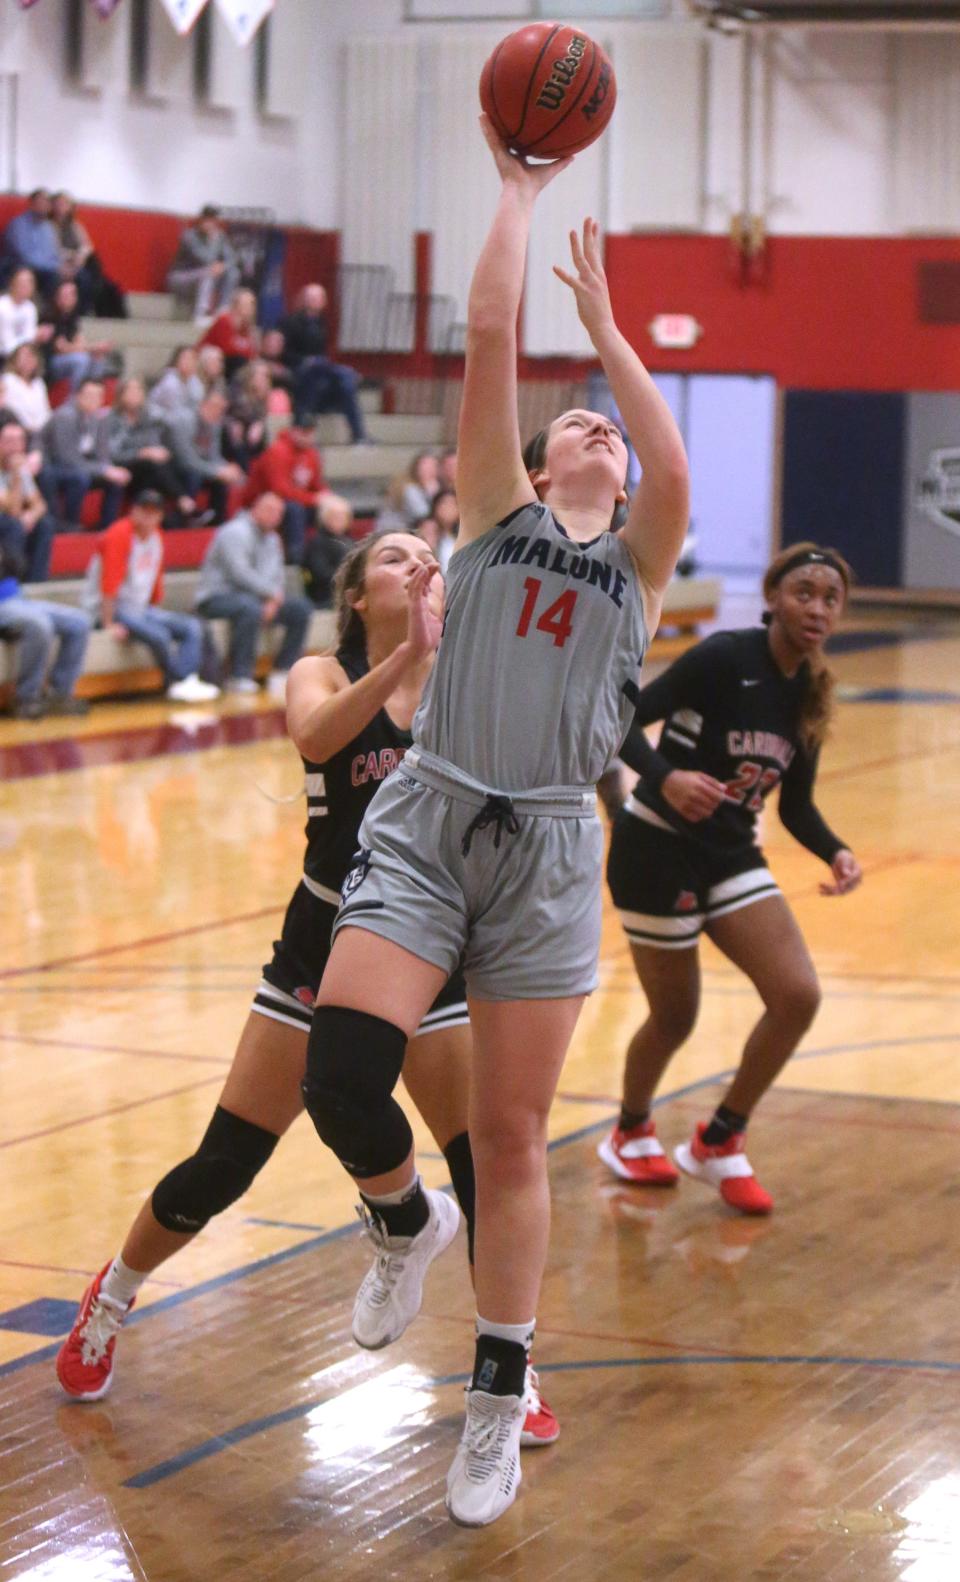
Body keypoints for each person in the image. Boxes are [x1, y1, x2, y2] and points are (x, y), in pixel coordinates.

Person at [296, 117, 689, 1527]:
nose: (590, 421)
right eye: (568, 413)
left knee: (515, 1136)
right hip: (433, 809)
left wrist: (613, 332)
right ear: (526, 464)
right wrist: (520, 194)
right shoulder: (490, 516)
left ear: (626, 478)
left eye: (610, 429)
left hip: (544, 848)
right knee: (344, 1073)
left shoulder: (642, 557)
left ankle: (495, 1384)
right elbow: (480, 335)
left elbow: (659, 441)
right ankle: (402, 1219)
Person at [53, 526, 559, 1447]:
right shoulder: (320, 672)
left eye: (425, 555)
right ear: (359, 596)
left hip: (434, 942)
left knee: (484, 1171)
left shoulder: (467, 682)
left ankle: (509, 1369)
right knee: (224, 1163)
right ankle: (112, 1297)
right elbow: (317, 737)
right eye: (395, 558)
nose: (419, 565)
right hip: (323, 938)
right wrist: (408, 656)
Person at [600, 543, 862, 1214]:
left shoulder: (809, 690)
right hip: (655, 846)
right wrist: (664, 778)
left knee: (797, 995)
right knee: (676, 1015)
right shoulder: (724, 659)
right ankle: (629, 1130)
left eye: (830, 599)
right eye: (804, 591)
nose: (817, 607)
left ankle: (720, 1140)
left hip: (729, 853)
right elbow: (622, 716)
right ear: (773, 598)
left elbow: (795, 803)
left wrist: (834, 850)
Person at [83, 490, 220, 704]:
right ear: (133, 512)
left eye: (154, 513)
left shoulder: (156, 537)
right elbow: (108, 585)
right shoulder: (118, 535)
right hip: (110, 608)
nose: (148, 518)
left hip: (139, 608)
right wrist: (108, 623)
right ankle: (179, 681)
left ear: (160, 516)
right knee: (160, 635)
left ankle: (184, 679)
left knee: (192, 627)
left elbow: (154, 578)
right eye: (143, 511)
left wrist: (153, 608)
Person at [195, 490, 313, 697]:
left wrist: (273, 600)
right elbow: (239, 573)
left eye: (278, 513)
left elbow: (277, 575)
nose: (274, 516)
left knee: (300, 609)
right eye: (269, 510)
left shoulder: (274, 539)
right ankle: (239, 676)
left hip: (257, 599)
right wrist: (270, 595)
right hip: (215, 598)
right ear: (255, 509)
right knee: (248, 608)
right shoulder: (234, 532)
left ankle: (282, 669)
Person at [0, 527, 90, 719]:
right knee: (40, 624)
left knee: (79, 622)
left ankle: (60, 694)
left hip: (17, 600)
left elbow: (19, 567)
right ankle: (26, 698)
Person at [279, 284, 369, 445]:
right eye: (310, 297)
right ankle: (304, 423)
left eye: (317, 298)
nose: (313, 301)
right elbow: (284, 353)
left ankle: (358, 433)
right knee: (324, 373)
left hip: (322, 368)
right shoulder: (291, 322)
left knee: (345, 380)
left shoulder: (323, 323)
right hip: (300, 369)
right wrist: (305, 361)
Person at [244, 413, 334, 566]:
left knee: (329, 509)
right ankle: (295, 556)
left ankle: (331, 554)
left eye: (311, 433)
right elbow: (280, 491)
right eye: (304, 432)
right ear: (294, 431)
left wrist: (328, 497)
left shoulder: (311, 453)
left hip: (298, 500)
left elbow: (316, 484)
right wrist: (314, 499)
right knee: (295, 509)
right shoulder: (277, 451)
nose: (308, 437)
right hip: (264, 502)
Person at [40, 377, 129, 529]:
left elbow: (103, 452)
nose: (94, 400)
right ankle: (70, 524)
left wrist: (111, 468)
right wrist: (103, 470)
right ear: (78, 396)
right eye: (89, 395)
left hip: (83, 465)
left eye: (98, 396)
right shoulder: (65, 416)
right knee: (80, 478)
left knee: (116, 480)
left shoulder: (99, 418)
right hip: (55, 466)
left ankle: (107, 527)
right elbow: (67, 458)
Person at [106, 378, 195, 518]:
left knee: (175, 465)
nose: (135, 394)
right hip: (122, 465)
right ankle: (182, 499)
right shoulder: (112, 419)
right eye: (131, 391)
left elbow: (164, 429)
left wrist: (156, 451)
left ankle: (170, 518)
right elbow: (112, 454)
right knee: (153, 465)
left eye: (139, 390)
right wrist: (141, 453)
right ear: (121, 395)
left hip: (146, 469)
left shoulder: (148, 416)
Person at [168, 388, 245, 522]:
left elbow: (213, 456)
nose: (218, 412)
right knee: (194, 476)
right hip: (173, 466)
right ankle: (182, 519)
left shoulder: (214, 424)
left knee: (221, 480)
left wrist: (227, 469)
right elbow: (186, 460)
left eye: (221, 409)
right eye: (215, 407)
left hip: (199, 466)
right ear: (203, 404)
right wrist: (217, 471)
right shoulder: (185, 421)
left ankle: (217, 521)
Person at [0, 418, 55, 583]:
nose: (15, 446)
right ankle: (11, 582)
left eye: (20, 440)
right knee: (13, 525)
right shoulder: (17, 468)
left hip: (9, 519)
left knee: (45, 524)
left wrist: (31, 516)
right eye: (9, 441)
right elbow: (13, 510)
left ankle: (37, 583)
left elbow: (40, 504)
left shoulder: (19, 466)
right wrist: (17, 475)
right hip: (6, 518)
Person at [167, 205, 239, 322]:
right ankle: (200, 314)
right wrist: (213, 242)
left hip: (205, 277)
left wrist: (223, 266)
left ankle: (222, 311)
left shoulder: (220, 236)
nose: (210, 224)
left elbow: (233, 258)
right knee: (208, 272)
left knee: (233, 273)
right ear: (201, 220)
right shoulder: (189, 236)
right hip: (181, 278)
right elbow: (205, 259)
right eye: (207, 220)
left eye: (213, 220)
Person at [40, 279, 114, 390]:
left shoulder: (72, 317)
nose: (69, 298)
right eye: (65, 295)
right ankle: (75, 399)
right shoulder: (49, 316)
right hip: (50, 363)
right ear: (57, 296)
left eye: (72, 294)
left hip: (67, 358)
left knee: (97, 358)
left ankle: (92, 396)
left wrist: (94, 350)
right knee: (80, 360)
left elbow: (80, 342)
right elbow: (61, 348)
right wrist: (94, 347)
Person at [2, 191, 61, 298]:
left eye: (46, 203)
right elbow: (23, 255)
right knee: (49, 275)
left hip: (45, 268)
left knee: (74, 277)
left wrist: (59, 266)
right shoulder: (18, 224)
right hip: (20, 264)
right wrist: (50, 267)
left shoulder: (49, 227)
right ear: (32, 204)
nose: (44, 206)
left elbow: (54, 253)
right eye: (40, 202)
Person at [302, 496, 352, 608]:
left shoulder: (349, 541)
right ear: (324, 518)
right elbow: (320, 575)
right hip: (325, 596)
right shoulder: (317, 543)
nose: (340, 520)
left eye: (343, 516)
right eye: (335, 516)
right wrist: (349, 577)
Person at [200, 288, 260, 380]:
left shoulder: (249, 329)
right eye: (246, 305)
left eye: (252, 305)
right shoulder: (224, 320)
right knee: (238, 362)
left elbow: (252, 355)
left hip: (233, 366)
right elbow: (227, 349)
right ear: (236, 306)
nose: (250, 309)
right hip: (211, 362)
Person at [224, 358, 272, 471]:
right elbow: (232, 413)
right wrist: (233, 423)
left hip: (249, 430)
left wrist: (259, 424)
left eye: (265, 375)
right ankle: (246, 472)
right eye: (259, 374)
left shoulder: (264, 393)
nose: (262, 378)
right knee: (239, 432)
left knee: (258, 433)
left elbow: (261, 415)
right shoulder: (236, 389)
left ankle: (256, 471)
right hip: (229, 425)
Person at [2, 343, 51, 441]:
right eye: (23, 357)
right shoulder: (8, 380)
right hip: (21, 432)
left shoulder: (39, 383)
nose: (27, 360)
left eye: (31, 356)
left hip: (42, 431)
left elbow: (46, 410)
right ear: (14, 359)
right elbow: (12, 408)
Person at [0, 269, 52, 360]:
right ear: (12, 284)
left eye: (30, 283)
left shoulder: (30, 308)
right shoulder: (2, 306)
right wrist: (35, 334)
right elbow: (6, 345)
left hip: (23, 356)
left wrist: (35, 335)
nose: (26, 287)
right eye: (22, 283)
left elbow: (29, 339)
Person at [148, 346, 204, 422]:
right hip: (160, 421)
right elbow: (175, 412)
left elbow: (198, 404)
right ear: (177, 361)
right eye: (185, 358)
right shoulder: (169, 382)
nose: (189, 362)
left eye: (192, 359)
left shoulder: (195, 381)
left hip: (184, 421)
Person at [416, 487, 459, 575]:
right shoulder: (427, 529)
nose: (447, 508)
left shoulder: (462, 535)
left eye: (452, 504)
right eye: (444, 503)